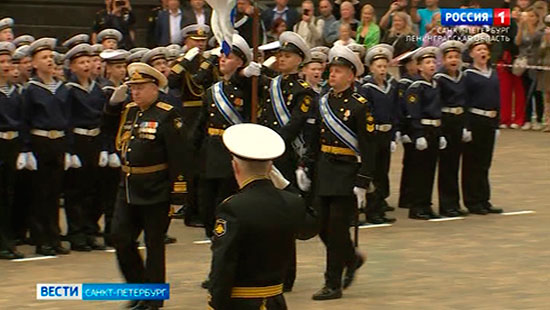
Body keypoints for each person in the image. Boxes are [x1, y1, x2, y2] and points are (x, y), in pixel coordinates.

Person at [108, 62, 190, 310]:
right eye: (132, 87)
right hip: (129, 186)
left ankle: (153, 300)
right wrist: (111, 106)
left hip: (156, 189)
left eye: (141, 87)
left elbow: (179, 156)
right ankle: (138, 287)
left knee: (154, 246)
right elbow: (109, 129)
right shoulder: (130, 111)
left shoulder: (167, 114)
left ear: (155, 88)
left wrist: (179, 193)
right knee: (120, 238)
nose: (135, 92)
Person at [301, 45, 374, 300]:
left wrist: (363, 182)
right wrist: (305, 165)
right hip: (324, 171)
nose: (332, 75)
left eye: (339, 71)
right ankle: (351, 257)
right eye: (331, 70)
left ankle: (332, 284)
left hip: (345, 175)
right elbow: (314, 137)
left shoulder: (360, 106)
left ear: (351, 76)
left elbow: (369, 147)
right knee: (319, 226)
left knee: (335, 229)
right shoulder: (323, 102)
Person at [207, 123, 305, 310]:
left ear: (235, 167)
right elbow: (310, 226)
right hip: (276, 301)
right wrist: (286, 186)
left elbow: (223, 264)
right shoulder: (292, 203)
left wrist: (216, 303)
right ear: (271, 169)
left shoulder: (233, 208)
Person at [193, 34, 252, 243]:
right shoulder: (212, 91)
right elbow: (201, 124)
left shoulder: (248, 87)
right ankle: (213, 234)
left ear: (240, 62)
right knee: (206, 202)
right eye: (221, 56)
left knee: (225, 200)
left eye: (228, 57)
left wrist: (248, 74)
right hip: (210, 150)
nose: (222, 60)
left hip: (232, 150)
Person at [22, 38, 72, 256]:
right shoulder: (31, 90)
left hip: (58, 140)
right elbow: (25, 120)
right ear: (34, 64)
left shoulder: (62, 88)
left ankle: (54, 235)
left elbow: (69, 118)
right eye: (44, 58)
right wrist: (26, 149)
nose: (50, 60)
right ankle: (41, 238)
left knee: (54, 192)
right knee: (40, 193)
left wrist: (69, 148)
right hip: (39, 141)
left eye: (51, 57)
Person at [63, 43, 109, 252]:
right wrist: (70, 150)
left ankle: (90, 229)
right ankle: (76, 233)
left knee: (94, 188)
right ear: (71, 67)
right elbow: (68, 120)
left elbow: (102, 119)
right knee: (76, 190)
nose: (86, 65)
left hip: (94, 140)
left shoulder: (97, 89)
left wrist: (104, 148)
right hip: (78, 140)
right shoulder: (69, 91)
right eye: (81, 62)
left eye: (89, 61)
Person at [462, 33, 503, 215]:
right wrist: (467, 127)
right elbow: (465, 101)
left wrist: (496, 124)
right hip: (475, 119)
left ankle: (484, 199)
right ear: (472, 54)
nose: (483, 52)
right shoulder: (468, 75)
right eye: (479, 50)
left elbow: (496, 98)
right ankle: (472, 200)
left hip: (489, 120)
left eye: (485, 49)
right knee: (472, 162)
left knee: (485, 162)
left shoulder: (493, 73)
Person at [404, 46, 445, 220]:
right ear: (419, 67)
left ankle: (426, 204)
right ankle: (416, 206)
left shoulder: (435, 84)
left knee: (430, 170)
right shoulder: (416, 87)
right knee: (419, 171)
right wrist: (418, 134)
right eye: (427, 62)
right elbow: (414, 112)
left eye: (433, 62)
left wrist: (441, 133)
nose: (431, 65)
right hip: (423, 129)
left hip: (435, 128)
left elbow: (438, 110)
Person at [360, 44, 399, 224]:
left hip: (386, 134)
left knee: (383, 172)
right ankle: (372, 210)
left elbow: (394, 110)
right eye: (379, 66)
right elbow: (366, 113)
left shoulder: (391, 86)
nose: (382, 70)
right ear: (371, 68)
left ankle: (381, 205)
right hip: (373, 135)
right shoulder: (366, 88)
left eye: (385, 66)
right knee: (373, 172)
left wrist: (393, 134)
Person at [433, 40, 469, 218]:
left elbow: (467, 101)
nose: (454, 60)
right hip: (446, 121)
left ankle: (455, 202)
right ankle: (446, 205)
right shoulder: (439, 79)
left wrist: (466, 126)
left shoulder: (463, 77)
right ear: (443, 60)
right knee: (446, 166)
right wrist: (440, 132)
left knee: (455, 164)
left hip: (458, 121)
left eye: (456, 56)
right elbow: (436, 104)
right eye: (450, 57)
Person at [0, 42, 25, 260]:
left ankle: (7, 242)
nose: (6, 65)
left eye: (8, 61)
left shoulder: (16, 92)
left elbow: (23, 122)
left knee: (8, 195)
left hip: (11, 145)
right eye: (1, 62)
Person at [396, 48, 419, 210]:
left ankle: (412, 194)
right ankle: (407, 196)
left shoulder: (417, 80)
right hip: (409, 127)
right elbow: (401, 108)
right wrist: (403, 131)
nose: (416, 66)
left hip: (416, 127)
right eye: (413, 63)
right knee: (411, 162)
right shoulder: (404, 84)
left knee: (416, 163)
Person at [515, 6, 545, 131]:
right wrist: (521, 27)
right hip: (523, 64)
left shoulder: (541, 29)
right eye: (528, 16)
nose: (529, 18)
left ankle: (538, 119)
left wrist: (528, 24)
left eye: (532, 16)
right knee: (525, 92)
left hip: (535, 64)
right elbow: (517, 42)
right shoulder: (524, 28)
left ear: (537, 18)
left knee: (536, 93)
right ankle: (527, 119)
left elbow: (535, 38)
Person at [496, 0, 524, 129]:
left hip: (521, 62)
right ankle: (505, 119)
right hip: (505, 60)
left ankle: (518, 119)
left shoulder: (527, 25)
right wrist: (506, 3)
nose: (516, 13)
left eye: (519, 11)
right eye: (514, 11)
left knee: (519, 92)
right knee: (505, 91)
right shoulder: (508, 25)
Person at [538, 16, 550, 132]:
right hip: (546, 69)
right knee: (546, 96)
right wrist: (545, 42)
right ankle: (547, 122)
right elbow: (540, 52)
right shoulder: (544, 36)